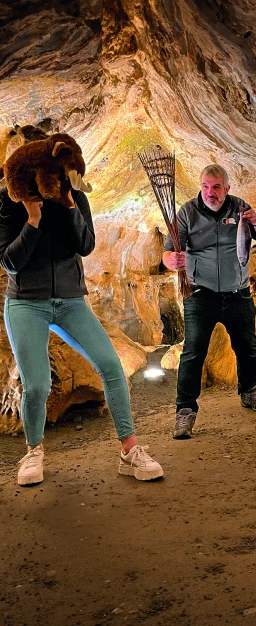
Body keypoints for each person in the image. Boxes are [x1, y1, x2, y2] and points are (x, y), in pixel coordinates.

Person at [0, 127, 163, 486]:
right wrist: (32, 219)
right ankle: (33, 452)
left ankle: (130, 450)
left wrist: (71, 207)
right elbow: (10, 263)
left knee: (111, 367)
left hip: (72, 302)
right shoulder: (10, 201)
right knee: (38, 385)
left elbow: (86, 246)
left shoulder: (74, 197)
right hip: (27, 303)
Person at [163, 164, 256, 439]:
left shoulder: (239, 208)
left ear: (227, 188)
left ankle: (249, 392)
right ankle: (185, 411)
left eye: (216, 187)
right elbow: (168, 252)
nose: (210, 193)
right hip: (201, 293)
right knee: (193, 352)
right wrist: (171, 261)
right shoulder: (187, 212)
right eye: (206, 186)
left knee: (247, 347)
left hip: (238, 291)